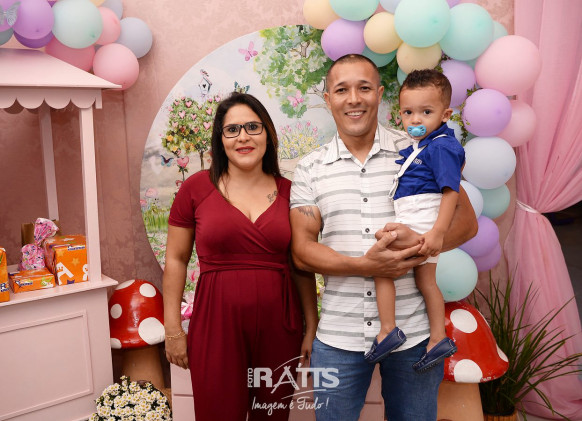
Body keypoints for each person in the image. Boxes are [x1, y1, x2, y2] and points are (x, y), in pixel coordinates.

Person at [290, 55, 477, 421]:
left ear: (379, 94)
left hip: (415, 334)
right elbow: (302, 251)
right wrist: (367, 265)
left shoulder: (420, 149)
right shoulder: (310, 168)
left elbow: (466, 225)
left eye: (363, 88)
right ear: (328, 98)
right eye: (341, 90)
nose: (353, 99)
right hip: (338, 336)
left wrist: (414, 247)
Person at [163, 92, 318, 421]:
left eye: (252, 127)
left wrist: (311, 326)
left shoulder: (292, 192)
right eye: (232, 130)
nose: (243, 137)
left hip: (280, 326)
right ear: (221, 140)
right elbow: (176, 259)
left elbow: (301, 265)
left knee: (272, 415)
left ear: (268, 134)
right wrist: (173, 329)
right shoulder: (195, 188)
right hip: (215, 324)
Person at [365, 69, 465, 371]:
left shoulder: (441, 147)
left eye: (426, 112)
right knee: (426, 282)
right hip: (419, 222)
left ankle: (387, 330)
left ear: (445, 114)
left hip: (422, 223)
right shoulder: (423, 146)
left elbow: (450, 192)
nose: (415, 120)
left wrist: (437, 233)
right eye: (408, 112)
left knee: (380, 264)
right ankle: (438, 338)